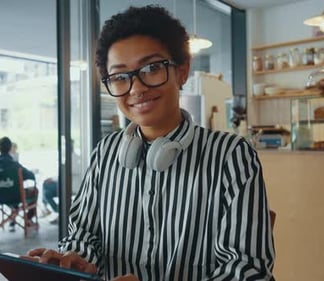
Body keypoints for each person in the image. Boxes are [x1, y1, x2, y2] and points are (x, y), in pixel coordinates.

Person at [28, 5, 275, 280]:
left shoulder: (231, 156)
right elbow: (84, 234)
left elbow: (248, 271)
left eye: (152, 68)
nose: (136, 88)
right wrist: (76, 260)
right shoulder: (106, 154)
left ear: (182, 71)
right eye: (120, 77)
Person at [0, 136, 36, 232]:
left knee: (14, 194)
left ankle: (13, 218)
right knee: (34, 191)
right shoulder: (15, 165)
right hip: (16, 197)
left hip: (0, 198)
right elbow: (31, 176)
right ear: (10, 148)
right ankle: (28, 219)